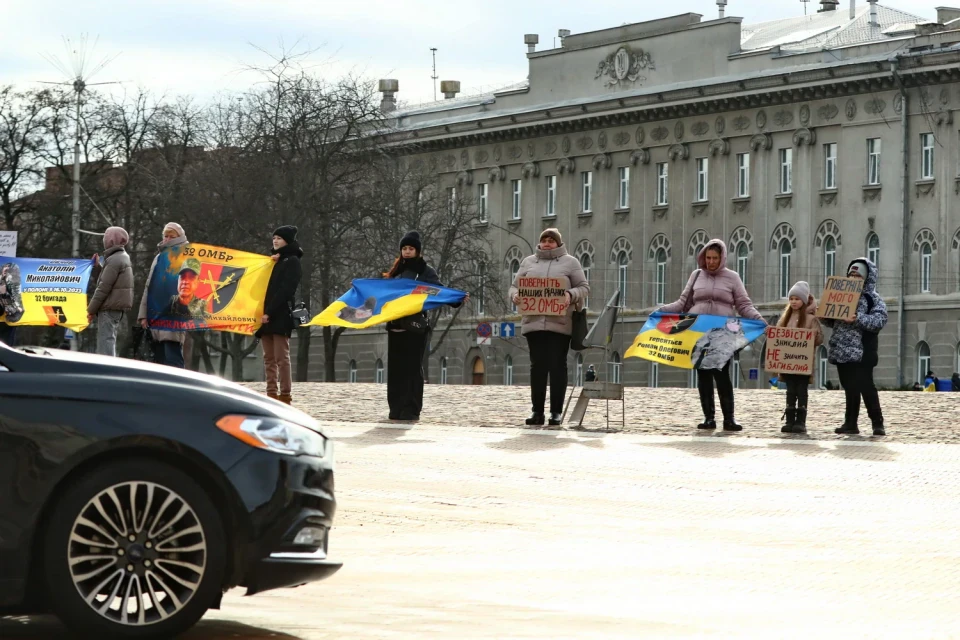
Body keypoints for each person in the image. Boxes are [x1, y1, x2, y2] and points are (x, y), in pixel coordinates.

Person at [660, 239, 765, 432]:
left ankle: (729, 419)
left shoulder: (732, 277)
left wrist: (759, 319)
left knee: (722, 375)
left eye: (715, 258)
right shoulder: (696, 275)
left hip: (723, 333)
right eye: (708, 258)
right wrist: (661, 311)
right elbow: (683, 303)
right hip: (698, 331)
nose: (710, 262)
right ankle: (708, 418)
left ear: (722, 258)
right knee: (704, 374)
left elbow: (743, 304)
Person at [509, 228, 589, 426]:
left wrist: (570, 295)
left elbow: (584, 287)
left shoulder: (570, 262)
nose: (547, 243)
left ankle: (556, 412)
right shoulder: (528, 262)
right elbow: (514, 286)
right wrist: (514, 296)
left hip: (560, 323)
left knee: (557, 366)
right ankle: (537, 411)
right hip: (533, 323)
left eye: (551, 240)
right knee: (537, 367)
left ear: (558, 243)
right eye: (544, 240)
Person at [384, 231, 464, 420]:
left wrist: (456, 299)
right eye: (404, 248)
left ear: (418, 251)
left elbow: (439, 291)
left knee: (412, 369)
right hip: (395, 327)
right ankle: (395, 407)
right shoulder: (395, 272)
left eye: (411, 248)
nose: (407, 252)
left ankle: (411, 409)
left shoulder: (426, 271)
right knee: (396, 370)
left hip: (415, 328)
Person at [822, 258, 887, 436]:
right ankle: (850, 423)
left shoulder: (872, 298)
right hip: (842, 348)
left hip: (862, 351)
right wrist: (823, 311)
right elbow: (830, 320)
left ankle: (877, 423)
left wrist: (857, 317)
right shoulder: (839, 293)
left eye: (857, 275)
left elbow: (879, 321)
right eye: (851, 274)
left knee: (866, 386)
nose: (853, 277)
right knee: (849, 387)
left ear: (866, 278)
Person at [255, 225, 303, 405]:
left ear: (288, 241)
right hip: (266, 316)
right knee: (268, 358)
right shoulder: (275, 261)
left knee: (281, 357)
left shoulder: (292, 261)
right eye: (274, 237)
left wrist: (269, 311)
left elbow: (285, 290)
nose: (275, 241)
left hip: (280, 314)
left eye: (279, 238)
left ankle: (285, 395)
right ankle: (271, 393)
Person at [138, 223, 189, 368]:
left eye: (171, 236)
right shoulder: (159, 257)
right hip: (156, 313)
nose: (167, 239)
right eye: (165, 236)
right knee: (159, 360)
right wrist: (143, 315)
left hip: (174, 313)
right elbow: (149, 286)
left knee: (173, 355)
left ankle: (179, 387)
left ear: (179, 237)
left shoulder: (185, 254)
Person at [775, 281, 823, 434]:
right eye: (791, 299)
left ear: (803, 300)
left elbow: (819, 339)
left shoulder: (811, 319)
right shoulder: (785, 318)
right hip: (788, 363)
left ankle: (800, 421)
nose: (794, 302)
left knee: (801, 390)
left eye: (797, 299)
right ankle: (789, 420)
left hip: (803, 364)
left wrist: (813, 336)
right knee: (790, 391)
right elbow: (778, 338)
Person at [86, 226, 134, 357]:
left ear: (111, 240)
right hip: (114, 308)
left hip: (109, 308)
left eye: (106, 238)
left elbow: (103, 288)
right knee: (109, 340)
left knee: (105, 342)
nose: (104, 241)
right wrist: (97, 268)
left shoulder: (114, 259)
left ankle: (105, 371)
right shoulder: (120, 257)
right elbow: (107, 280)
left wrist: (90, 310)